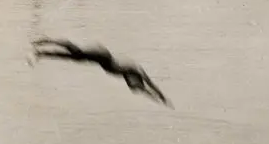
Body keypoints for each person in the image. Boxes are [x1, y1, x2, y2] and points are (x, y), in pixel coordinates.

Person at [30, 38, 172, 107]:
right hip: (102, 56)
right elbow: (150, 86)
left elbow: (145, 91)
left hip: (101, 57)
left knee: (75, 56)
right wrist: (162, 97)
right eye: (133, 84)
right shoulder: (135, 71)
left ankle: (42, 49)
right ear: (135, 79)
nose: (131, 84)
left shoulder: (128, 74)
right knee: (76, 54)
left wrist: (159, 99)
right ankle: (43, 47)